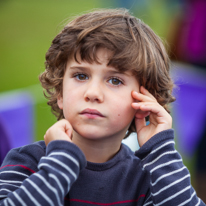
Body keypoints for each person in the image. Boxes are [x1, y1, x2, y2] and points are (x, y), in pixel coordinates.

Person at [0, 8, 205, 206]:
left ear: (144, 100)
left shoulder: (150, 178)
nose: (93, 93)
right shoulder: (27, 161)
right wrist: (60, 162)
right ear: (60, 92)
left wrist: (160, 150)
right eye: (81, 76)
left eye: (115, 80)